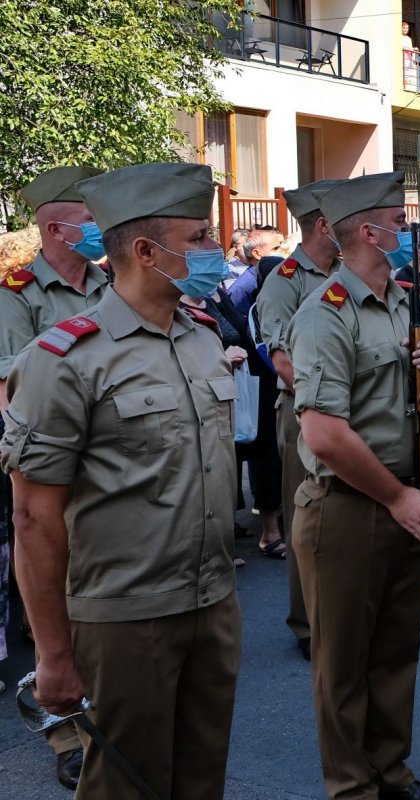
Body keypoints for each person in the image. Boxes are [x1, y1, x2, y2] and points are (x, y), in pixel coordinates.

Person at [3, 161, 241, 798]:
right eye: (198, 238)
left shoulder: (199, 338)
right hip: (127, 620)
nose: (216, 251)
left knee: (201, 778)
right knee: (127, 787)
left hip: (212, 602)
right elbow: (33, 518)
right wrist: (53, 656)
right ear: (145, 251)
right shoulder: (64, 359)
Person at [288, 172, 420, 800]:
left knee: (396, 652)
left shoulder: (409, 301)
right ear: (367, 232)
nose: (409, 233)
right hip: (350, 504)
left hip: (409, 495)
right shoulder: (325, 314)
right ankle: (352, 788)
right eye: (398, 223)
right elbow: (324, 433)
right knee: (343, 666)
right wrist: (396, 497)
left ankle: (392, 772)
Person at [0, 165, 109, 791]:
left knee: (102, 592)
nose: (100, 229)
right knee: (54, 596)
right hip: (47, 459)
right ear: (56, 227)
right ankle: (68, 731)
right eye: (89, 218)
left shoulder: (111, 280)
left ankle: (110, 709)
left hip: (110, 458)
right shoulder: (16, 295)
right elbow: (8, 387)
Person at [254, 178, 344, 661]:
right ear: (324, 225)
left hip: (350, 410)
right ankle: (307, 622)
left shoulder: (345, 270)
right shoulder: (285, 280)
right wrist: (319, 403)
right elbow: (280, 357)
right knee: (306, 517)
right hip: (305, 410)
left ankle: (342, 609)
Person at [183, 279, 286, 565]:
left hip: (248, 391)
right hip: (211, 397)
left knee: (266, 459)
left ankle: (270, 533)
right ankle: (222, 544)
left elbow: (244, 332)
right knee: (220, 468)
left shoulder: (216, 295)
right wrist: (220, 359)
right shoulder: (172, 305)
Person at [226, 225, 284, 315]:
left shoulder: (278, 276)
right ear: (256, 253)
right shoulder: (242, 289)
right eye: (276, 248)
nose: (282, 252)